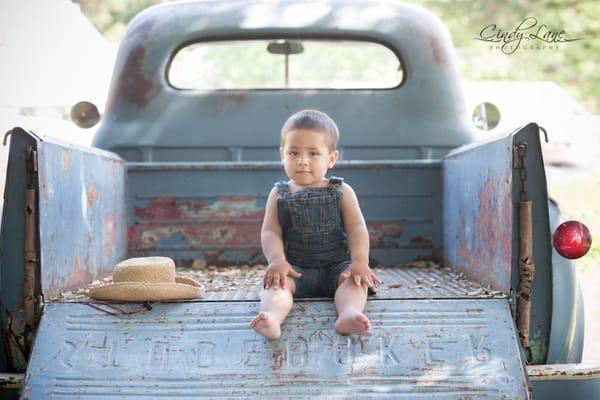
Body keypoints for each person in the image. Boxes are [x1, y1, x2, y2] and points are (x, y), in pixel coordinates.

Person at [250, 109, 381, 340]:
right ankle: (271, 317)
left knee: (355, 281)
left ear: (331, 158)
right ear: (282, 154)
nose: (302, 161)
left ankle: (348, 314)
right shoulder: (279, 193)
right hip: (295, 269)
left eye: (313, 153)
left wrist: (360, 262)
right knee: (276, 286)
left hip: (336, 267)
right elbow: (271, 231)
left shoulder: (341, 190)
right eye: (293, 153)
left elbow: (356, 228)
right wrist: (277, 261)